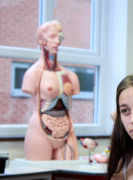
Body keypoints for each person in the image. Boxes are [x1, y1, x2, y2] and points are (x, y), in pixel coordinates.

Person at [22, 20, 80, 160]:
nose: (57, 41)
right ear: (42, 40)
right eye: (52, 36)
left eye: (59, 36)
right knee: (39, 174)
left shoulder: (70, 76)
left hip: (66, 129)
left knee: (71, 173)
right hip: (40, 128)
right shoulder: (33, 74)